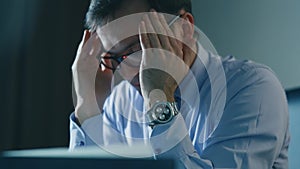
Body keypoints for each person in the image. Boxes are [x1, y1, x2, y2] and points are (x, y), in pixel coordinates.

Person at [69, 0, 290, 168]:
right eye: (114, 58)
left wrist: (159, 99)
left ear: (184, 28)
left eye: (139, 48)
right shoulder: (122, 100)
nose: (127, 73)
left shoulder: (252, 89)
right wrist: (86, 105)